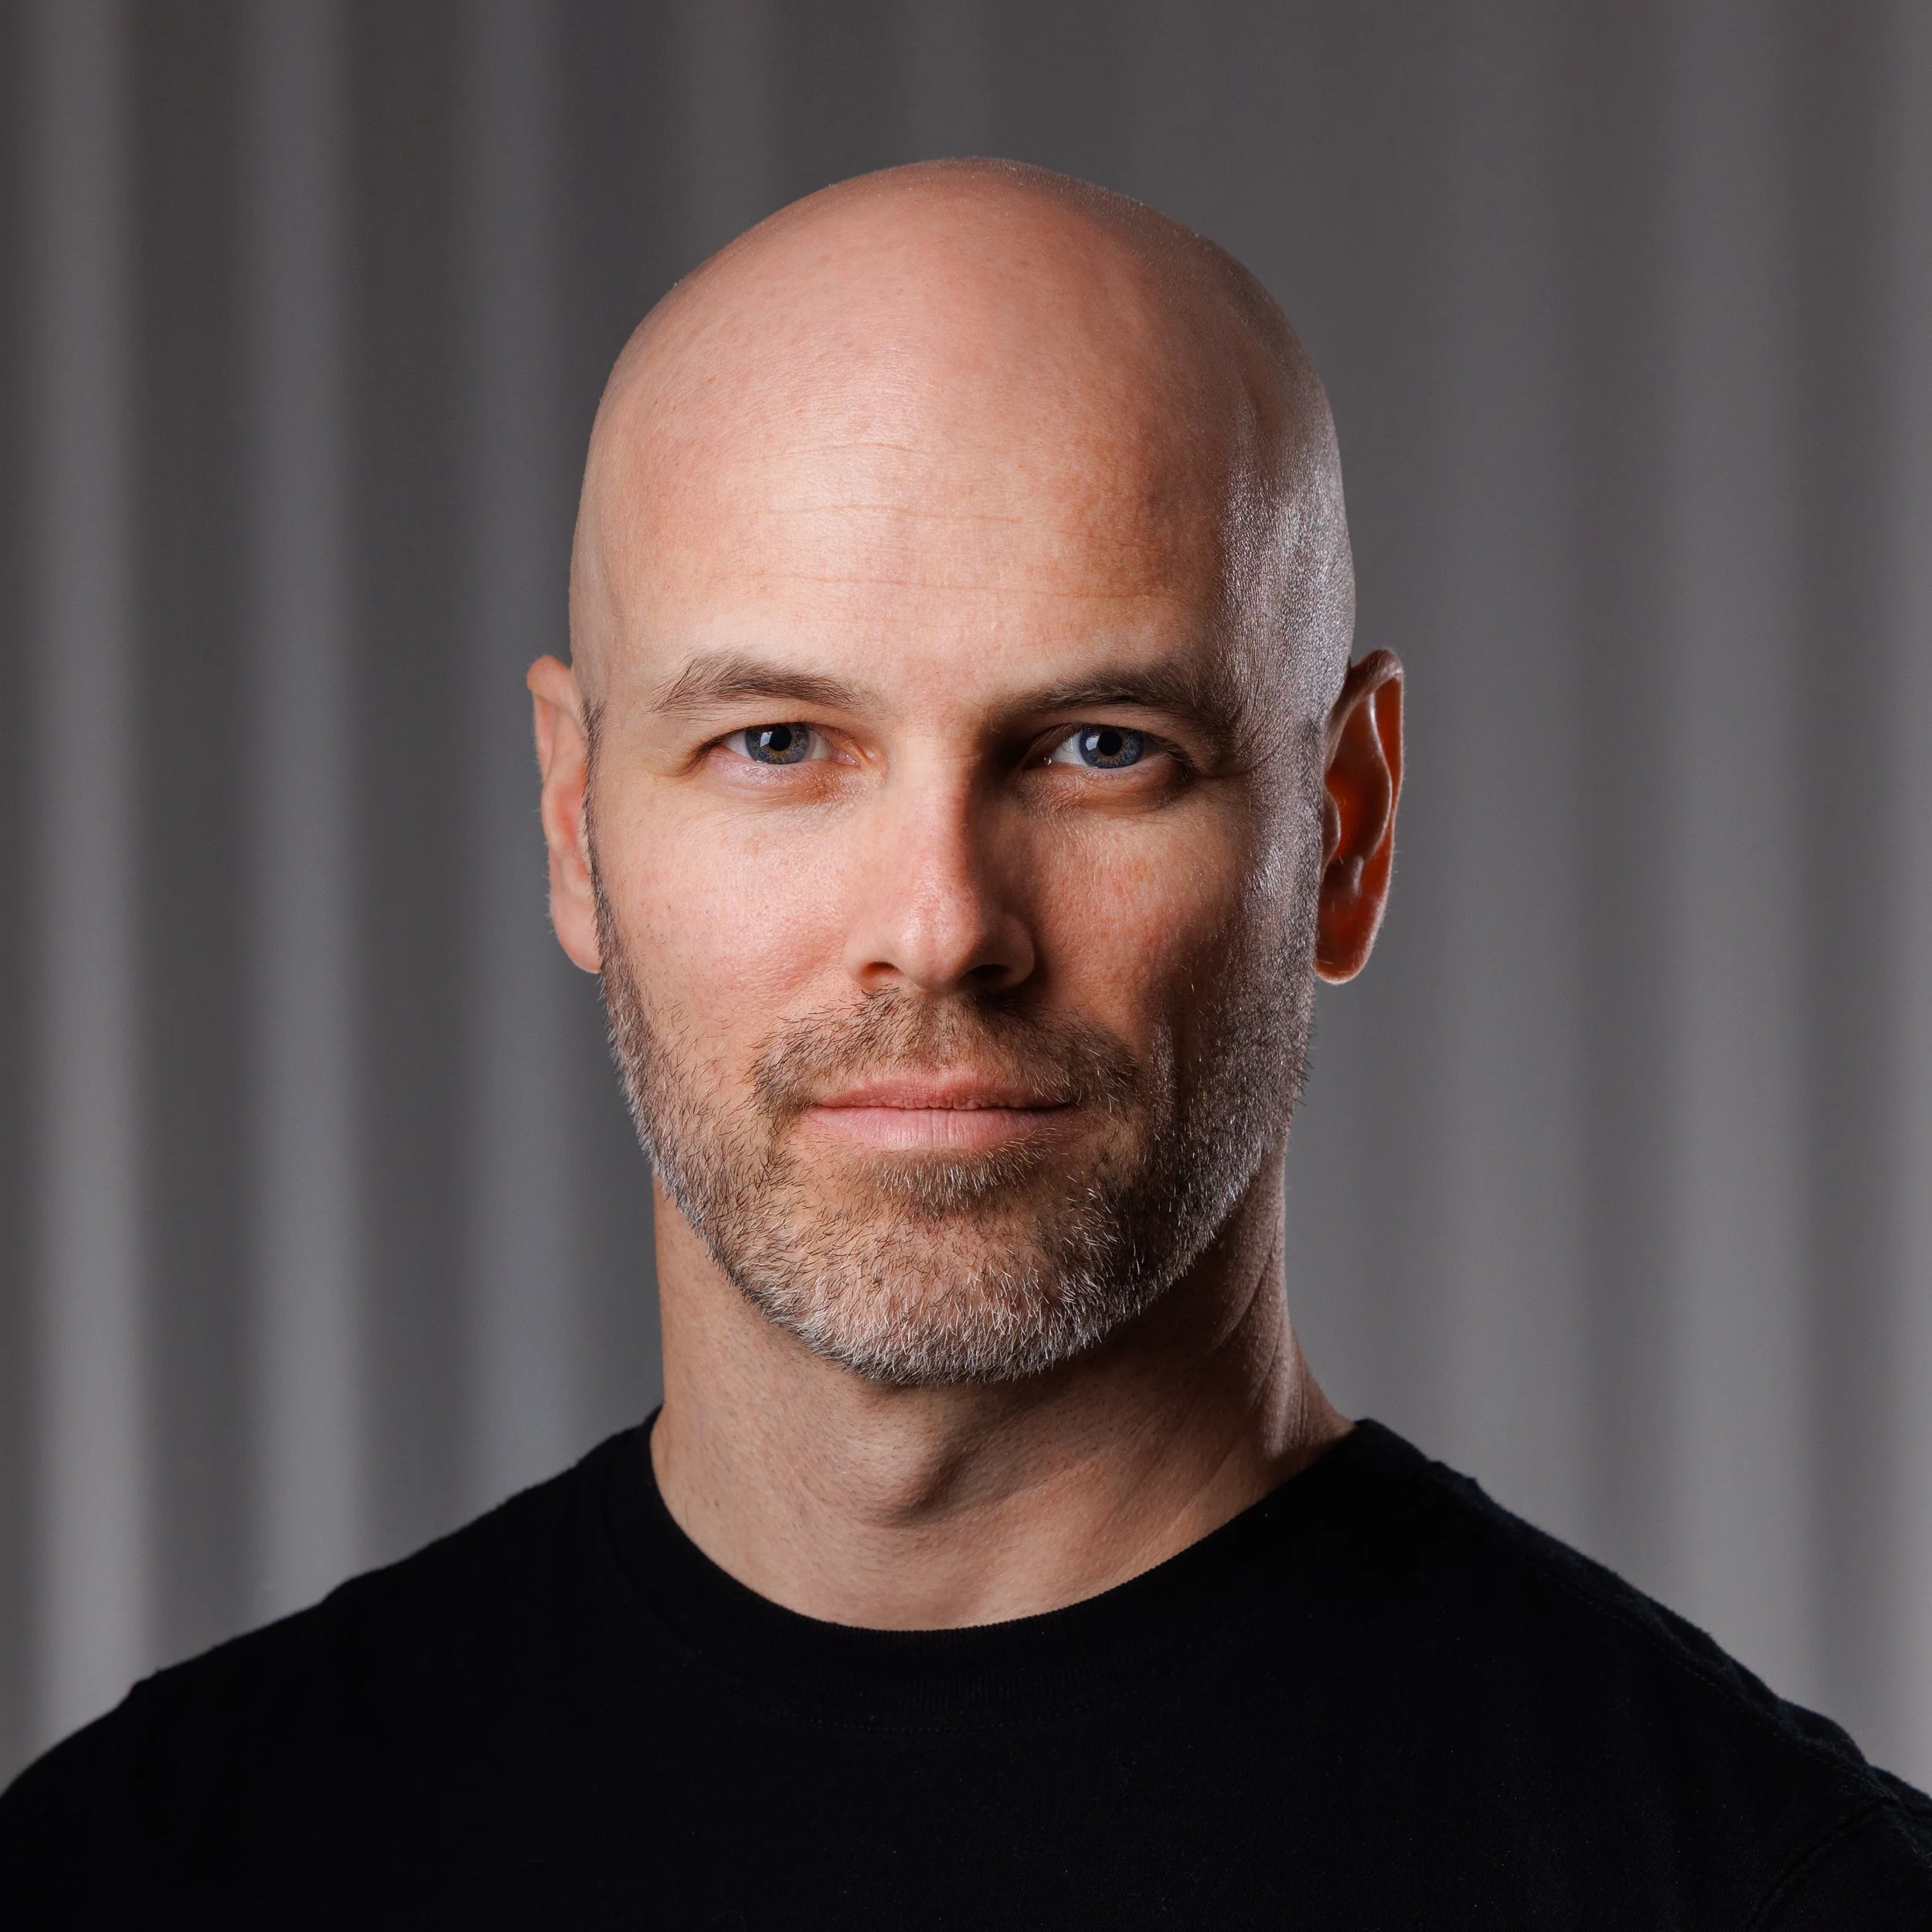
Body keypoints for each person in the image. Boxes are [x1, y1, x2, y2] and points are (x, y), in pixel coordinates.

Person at [3, 158, 1928, 1928]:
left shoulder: (1772, 1895)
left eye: (1100, 747)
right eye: (776, 743)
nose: (938, 924)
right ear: (575, 822)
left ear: (1342, 828)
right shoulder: (140, 1874)